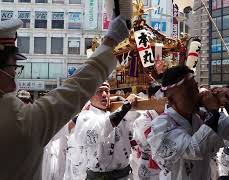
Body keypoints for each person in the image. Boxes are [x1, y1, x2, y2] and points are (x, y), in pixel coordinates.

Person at [0, 5, 132, 179]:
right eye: (12, 66)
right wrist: (110, 41)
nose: (15, 72)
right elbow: (74, 88)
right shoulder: (15, 118)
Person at [147, 65, 224, 180]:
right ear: (172, 100)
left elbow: (224, 138)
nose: (196, 95)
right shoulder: (160, 125)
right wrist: (213, 111)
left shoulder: (200, 117)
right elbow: (194, 150)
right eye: (189, 91)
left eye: (196, 88)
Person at [73, 81, 138, 180]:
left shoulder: (118, 112)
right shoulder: (85, 117)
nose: (104, 95)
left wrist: (121, 100)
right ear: (90, 96)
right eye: (99, 91)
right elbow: (103, 128)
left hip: (125, 175)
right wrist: (126, 105)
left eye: (107, 91)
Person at [131, 82, 166, 180]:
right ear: (151, 98)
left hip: (166, 167)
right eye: (161, 95)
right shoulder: (142, 120)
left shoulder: (168, 115)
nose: (165, 98)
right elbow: (152, 143)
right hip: (148, 167)